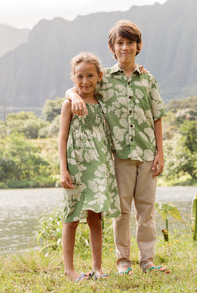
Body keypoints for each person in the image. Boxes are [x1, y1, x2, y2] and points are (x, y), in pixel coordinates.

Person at [66, 20, 168, 275]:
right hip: (118, 154)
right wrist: (74, 96)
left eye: (130, 43)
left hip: (146, 153)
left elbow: (157, 115)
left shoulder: (148, 79)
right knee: (121, 211)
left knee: (146, 210)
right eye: (120, 43)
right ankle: (123, 260)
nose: (125, 48)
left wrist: (160, 152)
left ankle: (148, 261)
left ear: (138, 46)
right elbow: (79, 85)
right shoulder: (104, 79)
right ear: (112, 48)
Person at [59, 52, 120, 282]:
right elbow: (62, 139)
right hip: (76, 165)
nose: (85, 81)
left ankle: (97, 267)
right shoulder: (69, 103)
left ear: (99, 77)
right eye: (80, 76)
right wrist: (63, 169)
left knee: (96, 216)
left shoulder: (102, 102)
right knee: (72, 215)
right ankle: (70, 270)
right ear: (73, 77)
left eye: (90, 76)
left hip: (99, 165)